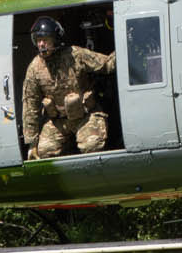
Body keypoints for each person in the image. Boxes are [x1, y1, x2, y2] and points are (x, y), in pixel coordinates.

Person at [21, 16, 114, 158]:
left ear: (55, 39)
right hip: (58, 122)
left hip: (85, 116)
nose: (41, 44)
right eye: (38, 40)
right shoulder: (34, 68)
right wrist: (32, 143)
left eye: (45, 40)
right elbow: (30, 106)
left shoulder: (75, 55)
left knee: (91, 146)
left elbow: (106, 64)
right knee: (45, 151)